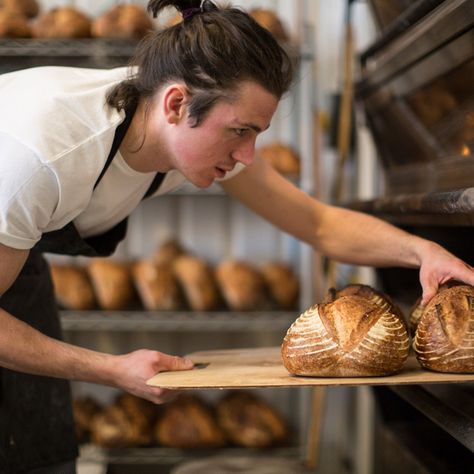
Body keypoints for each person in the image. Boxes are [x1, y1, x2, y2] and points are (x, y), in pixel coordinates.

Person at [1, 0, 474, 472]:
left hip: (16, 265)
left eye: (257, 133)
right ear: (176, 104)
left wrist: (423, 251)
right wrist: (112, 369)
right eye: (240, 131)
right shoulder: (43, 157)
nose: (248, 155)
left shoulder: (178, 123)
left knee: (41, 447)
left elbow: (318, 223)